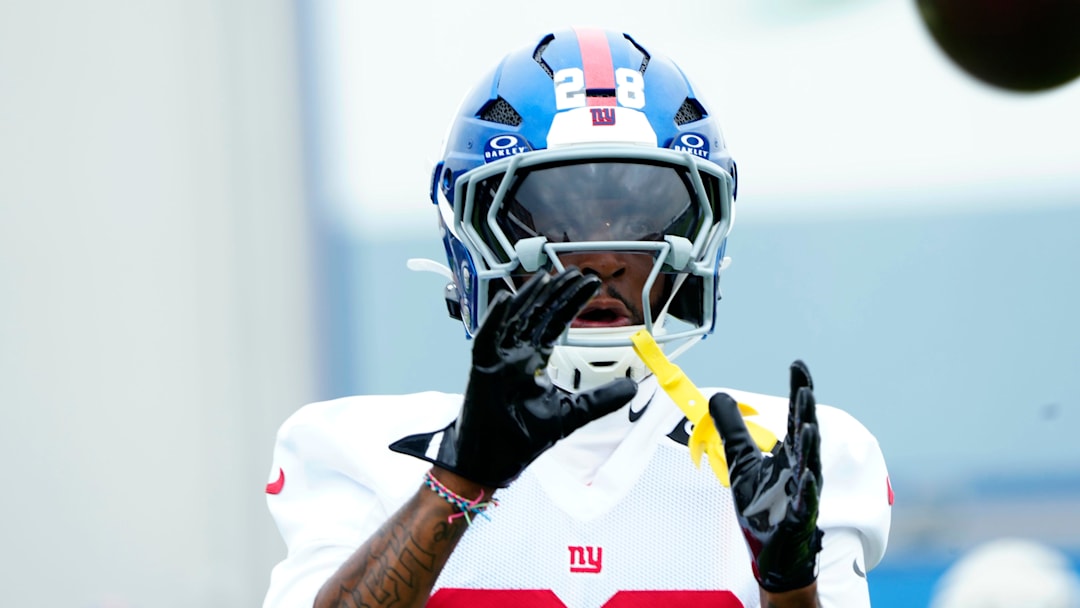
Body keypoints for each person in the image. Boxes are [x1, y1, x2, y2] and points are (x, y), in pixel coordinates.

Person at [262, 27, 892, 608]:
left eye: (644, 217)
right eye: (555, 216)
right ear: (472, 233)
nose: (602, 258)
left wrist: (790, 587)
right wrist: (459, 481)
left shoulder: (787, 460)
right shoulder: (367, 452)